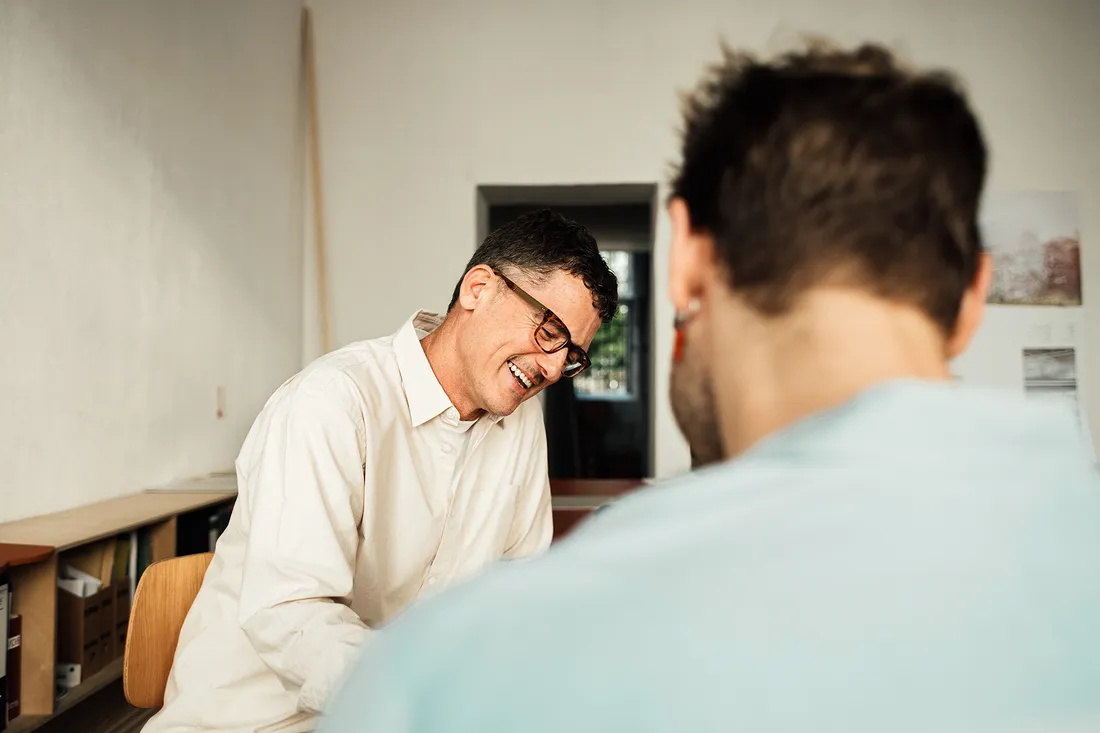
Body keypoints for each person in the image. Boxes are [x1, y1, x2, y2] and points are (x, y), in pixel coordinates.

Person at [320, 41, 1100, 733]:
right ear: (972, 299)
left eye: (570, 348)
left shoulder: (445, 680)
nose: (554, 368)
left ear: (686, 250)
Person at [142, 208, 618, 733]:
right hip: (259, 722)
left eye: (572, 355)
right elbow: (291, 615)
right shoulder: (331, 403)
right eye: (549, 331)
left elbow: (517, 588)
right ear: (478, 289)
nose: (553, 368)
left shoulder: (520, 422)